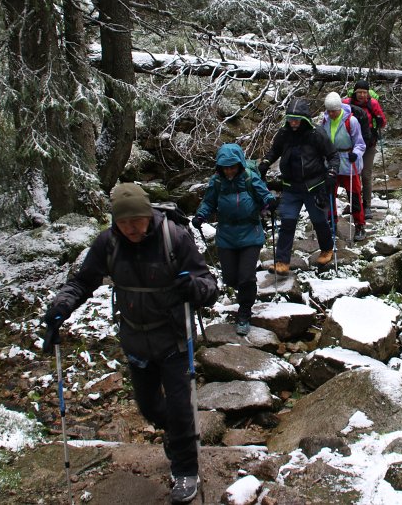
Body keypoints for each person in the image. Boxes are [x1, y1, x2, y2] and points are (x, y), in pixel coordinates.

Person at [43, 183, 218, 504]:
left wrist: (192, 288)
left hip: (174, 339)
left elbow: (209, 285)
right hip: (136, 340)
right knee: (150, 408)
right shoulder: (109, 244)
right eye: (124, 223)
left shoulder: (174, 238)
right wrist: (61, 307)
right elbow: (83, 281)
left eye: (136, 221)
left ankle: (185, 470)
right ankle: (178, 436)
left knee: (180, 408)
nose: (131, 229)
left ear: (147, 214)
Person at [192, 143, 277, 336]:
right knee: (231, 278)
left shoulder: (249, 177)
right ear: (219, 167)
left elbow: (263, 194)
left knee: (246, 276)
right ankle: (245, 293)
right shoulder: (217, 182)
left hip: (250, 232)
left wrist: (270, 201)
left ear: (239, 164)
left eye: (232, 166)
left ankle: (244, 312)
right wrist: (200, 216)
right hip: (227, 235)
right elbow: (208, 202)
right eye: (225, 167)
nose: (229, 170)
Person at [258, 98, 340, 274]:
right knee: (287, 222)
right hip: (290, 186)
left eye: (297, 119)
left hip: (314, 185)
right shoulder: (284, 134)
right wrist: (265, 162)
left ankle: (327, 249)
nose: (293, 122)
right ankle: (282, 262)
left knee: (319, 221)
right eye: (290, 118)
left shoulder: (316, 134)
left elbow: (333, 155)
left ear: (305, 119)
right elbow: (274, 151)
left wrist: (332, 173)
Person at [320, 91, 368, 242]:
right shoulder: (325, 121)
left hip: (349, 161)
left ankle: (360, 225)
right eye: (329, 111)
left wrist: (356, 153)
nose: (331, 114)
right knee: (330, 194)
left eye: (334, 111)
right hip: (331, 162)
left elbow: (360, 143)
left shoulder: (351, 121)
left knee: (354, 196)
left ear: (339, 108)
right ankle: (331, 222)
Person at [343, 79, 387, 218]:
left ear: (368, 93)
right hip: (351, 144)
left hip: (369, 143)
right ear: (354, 93)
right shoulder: (346, 103)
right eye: (359, 92)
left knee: (366, 174)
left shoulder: (372, 103)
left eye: (364, 92)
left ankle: (366, 204)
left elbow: (383, 122)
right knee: (351, 175)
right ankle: (354, 203)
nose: (362, 95)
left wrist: (380, 121)